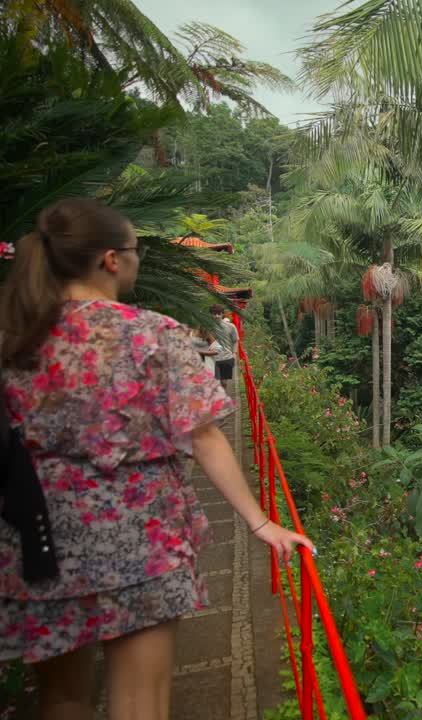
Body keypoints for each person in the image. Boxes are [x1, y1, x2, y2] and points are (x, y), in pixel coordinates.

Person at [0, 198, 313, 720]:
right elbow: (206, 437)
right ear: (110, 260)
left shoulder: (16, 340)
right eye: (134, 250)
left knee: (62, 699)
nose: (137, 260)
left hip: (41, 542)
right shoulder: (150, 333)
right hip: (142, 538)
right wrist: (260, 525)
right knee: (140, 701)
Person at [210, 309, 239, 392]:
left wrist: (234, 353)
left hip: (227, 357)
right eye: (214, 313)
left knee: (224, 383)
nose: (217, 316)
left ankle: (222, 399)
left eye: (219, 313)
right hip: (212, 358)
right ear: (211, 315)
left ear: (222, 314)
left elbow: (236, 340)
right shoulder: (208, 327)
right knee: (214, 383)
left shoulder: (231, 326)